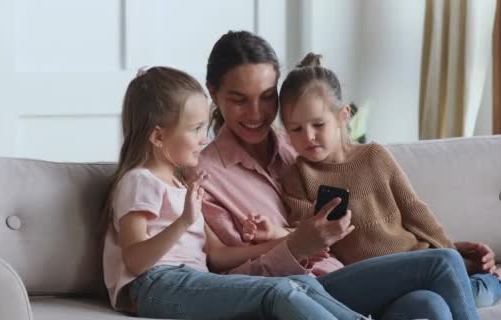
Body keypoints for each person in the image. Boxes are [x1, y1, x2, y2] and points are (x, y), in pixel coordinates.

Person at [195, 30, 480, 320]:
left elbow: (390, 212)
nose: (256, 113)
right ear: (213, 93)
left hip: (359, 283)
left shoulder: (300, 144)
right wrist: (293, 247)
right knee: (443, 263)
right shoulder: (205, 177)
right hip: (305, 292)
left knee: (431, 306)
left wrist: (454, 250)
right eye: (239, 100)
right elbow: (225, 274)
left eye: (267, 97)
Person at [243, 52, 501, 308]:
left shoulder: (375, 156)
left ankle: (493, 281)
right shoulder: (298, 176)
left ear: (343, 117)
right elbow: (305, 234)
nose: (308, 137)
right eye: (296, 129)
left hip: (416, 258)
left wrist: (452, 253)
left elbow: (415, 212)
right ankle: (489, 282)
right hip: (376, 280)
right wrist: (274, 233)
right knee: (444, 296)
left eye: (318, 125)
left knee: (452, 291)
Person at [101, 66, 370, 319]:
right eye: (195, 129)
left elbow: (217, 256)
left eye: (203, 128)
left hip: (191, 279)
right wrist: (183, 221)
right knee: (277, 292)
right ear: (158, 137)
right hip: (154, 285)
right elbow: (135, 262)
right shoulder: (139, 180)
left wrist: (290, 240)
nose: (204, 139)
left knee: (298, 282)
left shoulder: (181, 184)